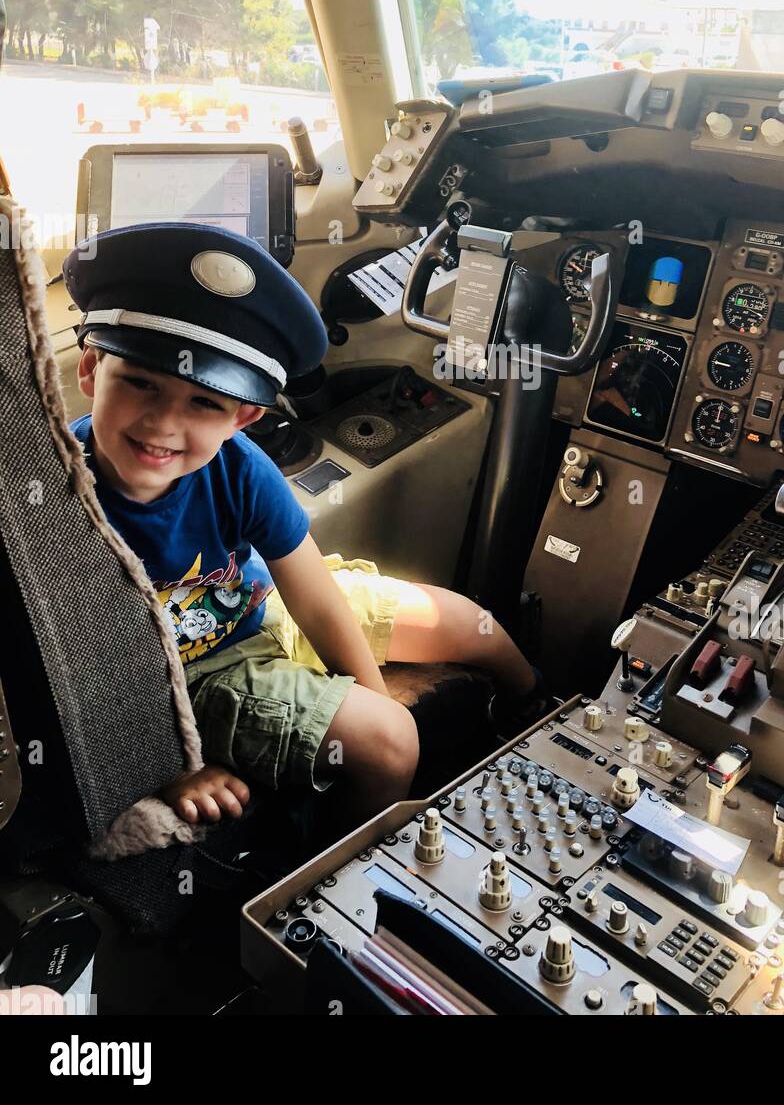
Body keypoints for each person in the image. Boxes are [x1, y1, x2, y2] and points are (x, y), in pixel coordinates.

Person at [62, 222, 551, 827]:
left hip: (264, 607)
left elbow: (315, 598)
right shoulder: (57, 503)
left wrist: (368, 691)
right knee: (391, 743)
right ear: (89, 371)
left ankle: (534, 717)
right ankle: (328, 870)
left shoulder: (240, 469)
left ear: (244, 416)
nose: (164, 423)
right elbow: (66, 669)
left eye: (204, 402)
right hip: (188, 675)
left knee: (470, 625)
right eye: (140, 383)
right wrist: (171, 763)